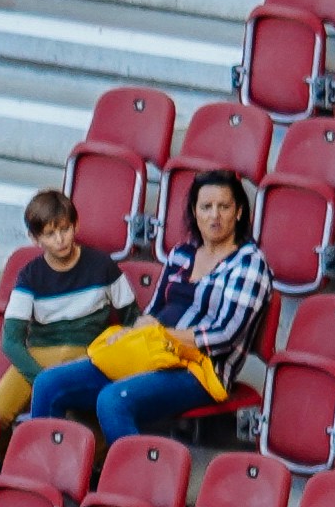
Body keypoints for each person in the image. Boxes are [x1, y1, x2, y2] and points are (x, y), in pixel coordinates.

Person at [23, 168, 277, 448]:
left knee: (113, 400)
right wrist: (134, 333)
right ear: (195, 211)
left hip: (200, 370)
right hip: (151, 353)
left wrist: (163, 334)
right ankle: (48, 475)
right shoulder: (183, 252)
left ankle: (128, 486)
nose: (214, 215)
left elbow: (225, 336)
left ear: (239, 212)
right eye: (206, 207)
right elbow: (154, 309)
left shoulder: (249, 264)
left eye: (224, 206)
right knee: (49, 383)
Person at [0, 181, 111, 416]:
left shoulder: (102, 266)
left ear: (76, 226)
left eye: (64, 229)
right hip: (41, 353)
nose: (60, 239)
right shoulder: (30, 275)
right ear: (35, 238)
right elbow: (10, 341)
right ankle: (9, 453)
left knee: (80, 424)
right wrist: (41, 378)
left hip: (88, 354)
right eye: (50, 234)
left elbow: (131, 317)